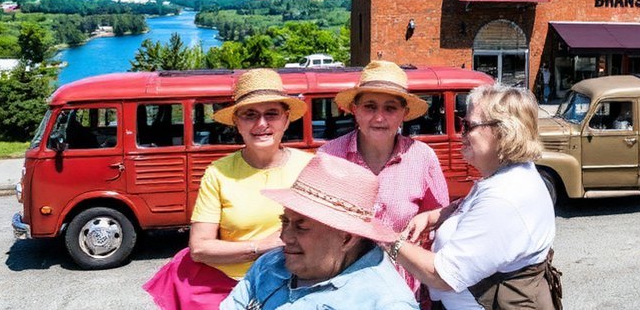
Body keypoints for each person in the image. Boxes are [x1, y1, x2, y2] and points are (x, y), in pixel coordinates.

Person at [144, 69, 313, 310]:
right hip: (229, 286)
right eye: (250, 114)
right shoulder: (218, 173)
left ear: (286, 120)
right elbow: (200, 248)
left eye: (271, 114)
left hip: (296, 284)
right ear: (237, 122)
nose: (261, 124)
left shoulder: (310, 167)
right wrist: (260, 246)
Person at [389, 84, 559, 310]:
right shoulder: (510, 175)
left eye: (468, 125)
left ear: (503, 131)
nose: (462, 133)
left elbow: (442, 276)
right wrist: (434, 216)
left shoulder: (505, 196)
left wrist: (387, 240)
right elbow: (474, 206)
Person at [319, 60, 449, 300]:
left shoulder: (422, 158)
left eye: (390, 108)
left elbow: (440, 222)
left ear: (404, 114)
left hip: (404, 289)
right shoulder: (329, 156)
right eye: (370, 106)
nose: (379, 117)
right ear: (354, 109)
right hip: (340, 288)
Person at [221, 153, 418, 310]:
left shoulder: (384, 303)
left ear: (347, 238)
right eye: (284, 221)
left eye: (301, 226)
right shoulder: (270, 265)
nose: (284, 237)